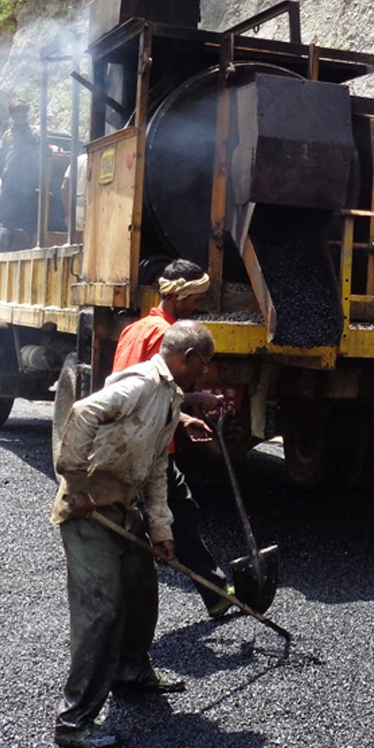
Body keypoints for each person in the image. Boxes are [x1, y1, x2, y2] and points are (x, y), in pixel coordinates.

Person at [50, 321, 216, 748]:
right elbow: (83, 412)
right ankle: (75, 721)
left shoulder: (171, 397)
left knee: (142, 591)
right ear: (189, 358)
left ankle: (131, 671)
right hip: (89, 510)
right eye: (204, 365)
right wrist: (74, 480)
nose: (205, 375)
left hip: (125, 509)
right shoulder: (142, 383)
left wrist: (162, 530)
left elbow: (156, 468)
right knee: (100, 611)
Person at [113, 258, 234, 635]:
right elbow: (146, 395)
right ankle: (211, 592)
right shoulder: (165, 336)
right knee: (173, 517)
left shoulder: (135, 328)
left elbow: (145, 391)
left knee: (181, 514)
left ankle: (214, 591)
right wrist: (185, 412)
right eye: (195, 298)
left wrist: (192, 403)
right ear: (178, 298)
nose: (199, 305)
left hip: (141, 441)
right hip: (146, 447)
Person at [0, 99, 45, 250]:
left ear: (27, 114)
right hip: (10, 182)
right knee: (6, 217)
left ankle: (30, 246)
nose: (20, 116)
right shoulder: (7, 135)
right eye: (17, 113)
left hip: (29, 182)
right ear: (12, 115)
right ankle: (0, 245)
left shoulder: (36, 133)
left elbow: (45, 154)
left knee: (29, 218)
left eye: (23, 113)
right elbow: (1, 161)